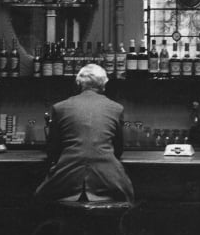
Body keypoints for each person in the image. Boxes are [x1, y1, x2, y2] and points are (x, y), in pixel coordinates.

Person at [34, 63, 134, 203]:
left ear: (78, 83)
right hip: (109, 180)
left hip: (65, 179)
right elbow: (118, 150)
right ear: (104, 84)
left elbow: (53, 150)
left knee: (39, 201)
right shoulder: (116, 108)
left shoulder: (60, 108)